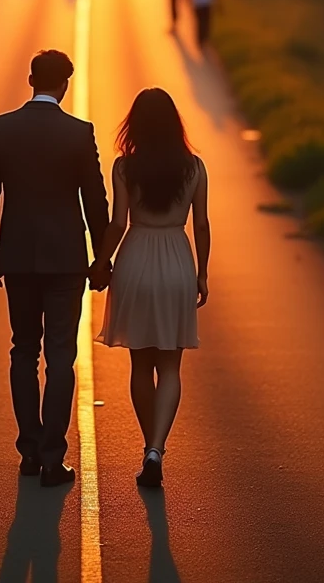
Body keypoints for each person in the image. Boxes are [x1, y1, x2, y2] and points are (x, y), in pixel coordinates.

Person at [0, 50, 110, 488]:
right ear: (65, 85)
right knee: (60, 358)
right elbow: (95, 201)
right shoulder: (78, 133)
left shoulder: (1, 128)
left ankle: (29, 451)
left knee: (23, 350)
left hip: (17, 258)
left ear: (30, 79)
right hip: (66, 261)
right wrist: (102, 257)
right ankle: (54, 458)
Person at [90, 89, 210, 488]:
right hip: (177, 258)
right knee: (171, 366)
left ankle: (149, 447)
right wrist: (202, 273)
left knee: (141, 364)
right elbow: (203, 225)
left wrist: (102, 261)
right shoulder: (194, 168)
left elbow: (118, 223)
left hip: (137, 259)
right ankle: (157, 447)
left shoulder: (125, 168)